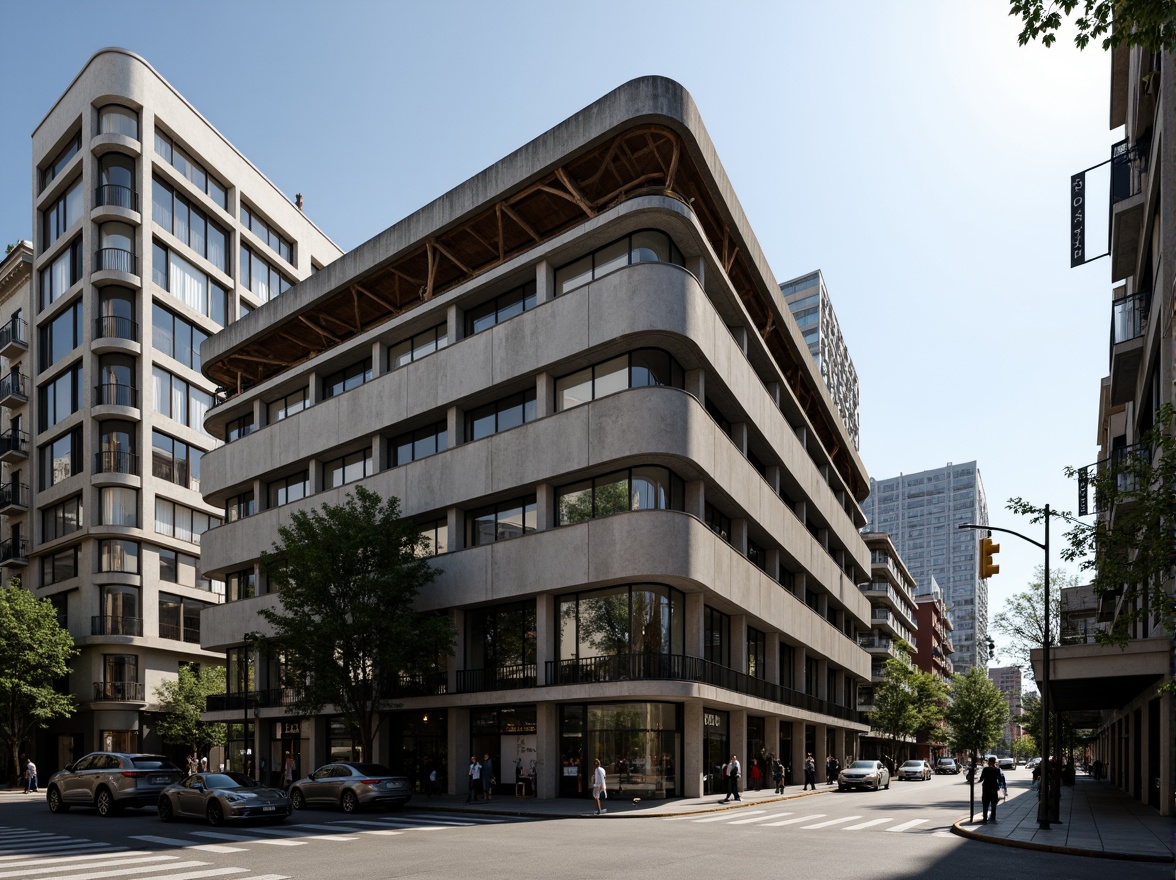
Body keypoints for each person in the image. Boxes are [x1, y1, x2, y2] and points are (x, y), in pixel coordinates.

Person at [979, 756, 1002, 823]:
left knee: (985, 803)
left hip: (986, 788)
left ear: (988, 762)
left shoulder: (985, 769)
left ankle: (985, 818)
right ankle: (993, 818)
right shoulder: (997, 770)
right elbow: (1000, 779)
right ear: (995, 762)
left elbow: (981, 778)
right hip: (994, 788)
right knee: (993, 804)